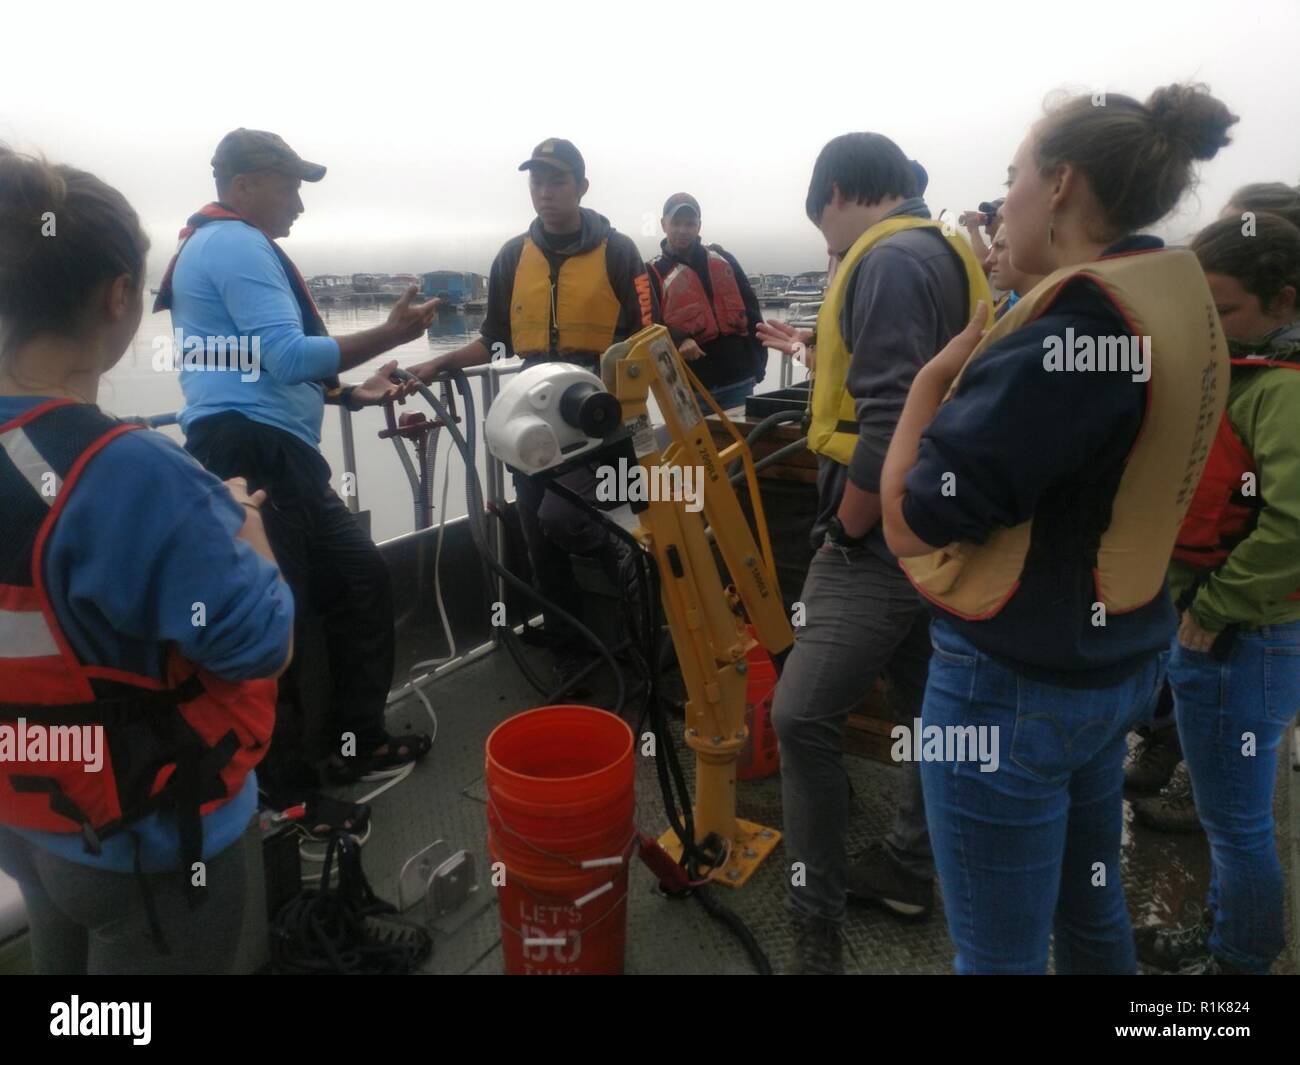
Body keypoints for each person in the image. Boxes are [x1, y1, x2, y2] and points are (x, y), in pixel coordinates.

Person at [880, 83, 1238, 974]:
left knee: (996, 956)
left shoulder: (1074, 330)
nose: (1004, 202)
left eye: (1014, 178)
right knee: (1090, 917)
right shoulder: (1168, 298)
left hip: (1010, 692)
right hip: (1113, 668)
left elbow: (916, 518)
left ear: (1064, 184)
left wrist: (929, 383)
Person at [0, 148, 293, 973]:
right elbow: (261, 644)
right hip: (149, 834)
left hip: (28, 816)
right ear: (119, 294)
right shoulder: (129, 471)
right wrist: (243, 521)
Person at [157, 129, 437, 811]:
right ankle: (286, 795)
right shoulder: (235, 243)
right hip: (251, 456)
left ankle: (353, 741)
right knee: (277, 618)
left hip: (274, 450)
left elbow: (247, 365)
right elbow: (284, 357)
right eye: (290, 187)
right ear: (244, 185)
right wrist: (393, 335)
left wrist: (349, 389)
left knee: (359, 578)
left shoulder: (218, 244)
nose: (300, 205)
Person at [764, 133, 990, 974]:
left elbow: (891, 420)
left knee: (798, 715)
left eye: (824, 229)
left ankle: (812, 920)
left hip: (881, 538)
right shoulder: (944, 252)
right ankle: (907, 866)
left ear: (835, 194)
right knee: (929, 709)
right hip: (944, 528)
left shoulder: (885, 262)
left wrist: (849, 529)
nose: (829, 249)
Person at [407, 139, 654, 684]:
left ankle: (642, 638)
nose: (545, 192)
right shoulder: (511, 258)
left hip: (605, 422)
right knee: (540, 539)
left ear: (582, 188)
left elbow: (649, 339)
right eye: (536, 181)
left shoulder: (619, 253)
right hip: (534, 422)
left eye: (557, 181)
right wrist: (439, 363)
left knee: (613, 526)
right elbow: (496, 343)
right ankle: (571, 649)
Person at [1134, 212, 1300, 974]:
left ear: (1286, 300)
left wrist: (1210, 610)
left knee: (1234, 820)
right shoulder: (1243, 367)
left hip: (1244, 634)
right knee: (1229, 811)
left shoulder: (1283, 393)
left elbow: (1292, 526)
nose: (1213, 325)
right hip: (1226, 624)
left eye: (1226, 309)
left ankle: (1238, 960)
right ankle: (1232, 933)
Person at [646, 193, 766, 409]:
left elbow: (752, 311)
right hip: (689, 389)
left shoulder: (724, 260)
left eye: (690, 223)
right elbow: (647, 325)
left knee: (745, 442)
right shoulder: (652, 272)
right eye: (677, 223)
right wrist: (679, 339)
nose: (683, 230)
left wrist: (758, 364)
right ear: (664, 224)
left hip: (739, 382)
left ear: (699, 226)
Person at [984, 226, 1043, 318]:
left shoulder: (1062, 323)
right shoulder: (1004, 306)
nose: (989, 259)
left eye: (1000, 246)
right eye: (992, 248)